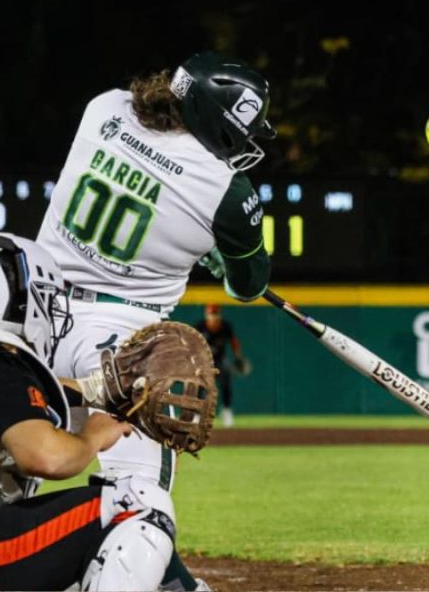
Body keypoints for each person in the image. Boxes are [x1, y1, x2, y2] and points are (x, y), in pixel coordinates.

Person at [36, 51, 275, 591]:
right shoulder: (227, 193)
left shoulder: (106, 107)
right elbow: (248, 285)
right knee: (139, 504)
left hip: (34, 314)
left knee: (5, 478)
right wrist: (215, 252)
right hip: (123, 345)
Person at [0, 232, 178, 591]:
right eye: (45, 297)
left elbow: (49, 394)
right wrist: (94, 436)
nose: (51, 310)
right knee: (138, 501)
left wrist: (100, 392)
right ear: (17, 301)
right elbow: (47, 458)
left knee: (87, 557)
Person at [194, 304, 250, 427]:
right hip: (204, 361)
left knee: (226, 382)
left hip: (219, 360)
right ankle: (197, 414)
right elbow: (193, 344)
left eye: (215, 314)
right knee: (200, 386)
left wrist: (238, 356)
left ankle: (226, 411)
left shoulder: (225, 326)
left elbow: (234, 341)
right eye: (211, 314)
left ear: (219, 315)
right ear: (207, 316)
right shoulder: (200, 327)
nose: (213, 317)